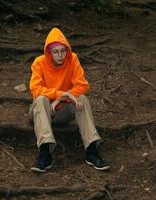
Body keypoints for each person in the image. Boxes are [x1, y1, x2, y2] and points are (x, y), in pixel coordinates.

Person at [29, 27, 110, 173]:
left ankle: (91, 151)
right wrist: (61, 95)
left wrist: (63, 98)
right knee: (41, 99)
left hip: (62, 112)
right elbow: (35, 89)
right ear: (49, 52)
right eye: (55, 52)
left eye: (63, 50)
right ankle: (45, 153)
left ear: (67, 50)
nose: (60, 55)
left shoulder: (72, 59)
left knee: (82, 99)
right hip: (42, 111)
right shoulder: (39, 62)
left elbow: (83, 85)